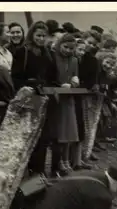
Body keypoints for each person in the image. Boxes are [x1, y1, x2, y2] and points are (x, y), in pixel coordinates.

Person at [11, 21, 56, 176]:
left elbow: (51, 76)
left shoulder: (48, 53)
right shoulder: (22, 52)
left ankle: (38, 172)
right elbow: (15, 76)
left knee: (42, 138)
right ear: (32, 35)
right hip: (28, 98)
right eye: (38, 35)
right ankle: (23, 172)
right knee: (25, 136)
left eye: (44, 36)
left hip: (43, 98)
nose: (41, 39)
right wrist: (28, 86)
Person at [47, 33, 80, 177]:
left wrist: (75, 81)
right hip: (56, 97)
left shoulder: (74, 60)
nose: (67, 50)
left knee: (69, 132)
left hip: (68, 98)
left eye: (71, 48)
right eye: (65, 47)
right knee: (59, 133)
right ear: (60, 44)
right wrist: (60, 85)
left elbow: (75, 75)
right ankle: (59, 161)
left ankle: (66, 160)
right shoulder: (53, 57)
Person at [78, 30, 102, 166]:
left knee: (87, 126)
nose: (91, 46)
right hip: (79, 93)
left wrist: (94, 85)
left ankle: (85, 152)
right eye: (89, 42)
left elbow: (94, 78)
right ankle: (80, 155)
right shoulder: (79, 57)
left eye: (94, 44)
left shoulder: (93, 60)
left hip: (88, 94)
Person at [71, 38, 91, 170]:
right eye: (80, 49)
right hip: (71, 97)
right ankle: (73, 161)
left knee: (80, 129)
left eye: (84, 50)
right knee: (72, 130)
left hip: (79, 97)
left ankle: (78, 161)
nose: (82, 52)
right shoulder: (71, 62)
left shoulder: (80, 62)